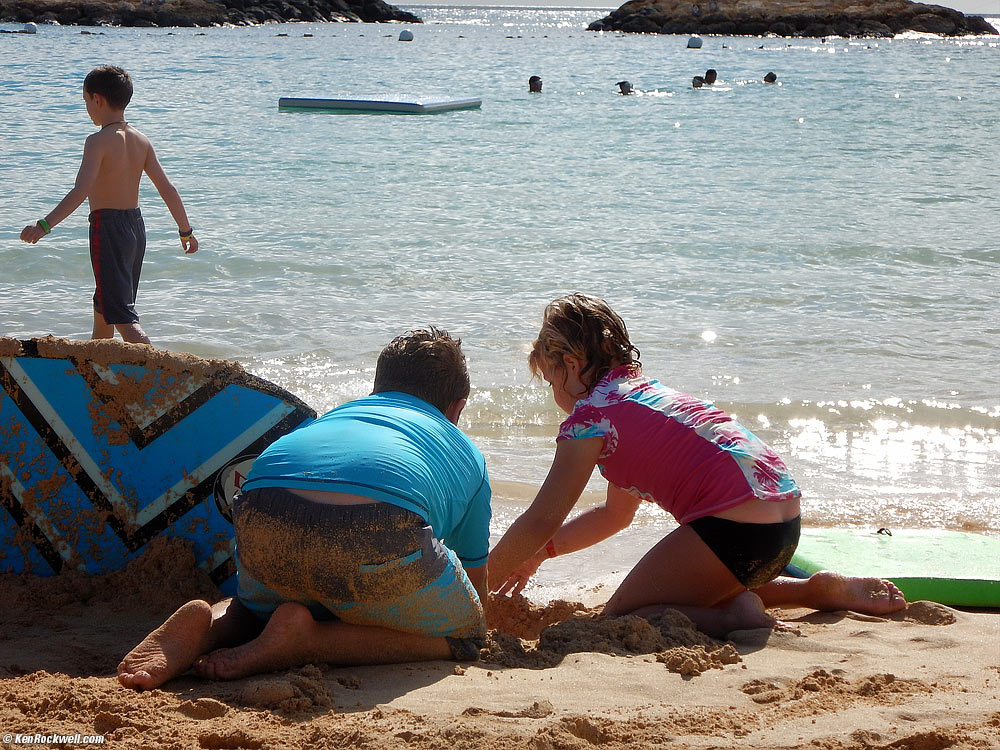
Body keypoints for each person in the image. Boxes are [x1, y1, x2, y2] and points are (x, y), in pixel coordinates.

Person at [489, 294, 906, 638]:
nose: (553, 394)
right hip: (782, 523)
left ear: (571, 365)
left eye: (549, 380)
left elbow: (542, 516)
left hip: (733, 530)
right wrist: (538, 555)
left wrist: (479, 580)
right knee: (692, 586)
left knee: (621, 618)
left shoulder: (589, 419)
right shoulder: (645, 397)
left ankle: (734, 619)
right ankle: (813, 590)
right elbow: (615, 516)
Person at [118, 327, 492, 689]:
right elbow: (473, 581)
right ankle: (309, 640)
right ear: (457, 408)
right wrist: (470, 619)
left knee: (256, 608)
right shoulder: (465, 451)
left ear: (377, 389)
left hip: (262, 509)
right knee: (466, 636)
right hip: (377, 528)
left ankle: (210, 626)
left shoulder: (337, 415)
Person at [19, 65, 198, 346]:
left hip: (108, 228)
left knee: (123, 316)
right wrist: (185, 230)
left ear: (98, 100)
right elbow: (167, 188)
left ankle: (157, 371)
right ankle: (97, 368)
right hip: (136, 229)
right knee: (105, 307)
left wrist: (44, 225)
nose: (87, 108)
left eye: (86, 102)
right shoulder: (141, 140)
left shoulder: (97, 142)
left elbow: (81, 191)